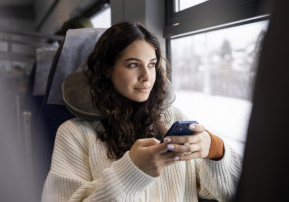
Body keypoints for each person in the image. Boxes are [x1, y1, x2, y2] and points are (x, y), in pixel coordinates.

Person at [42, 22, 242, 202]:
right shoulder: (73, 133)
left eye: (152, 65)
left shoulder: (173, 116)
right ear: (107, 70)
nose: (146, 76)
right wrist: (132, 173)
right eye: (133, 65)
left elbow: (232, 191)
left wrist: (215, 150)